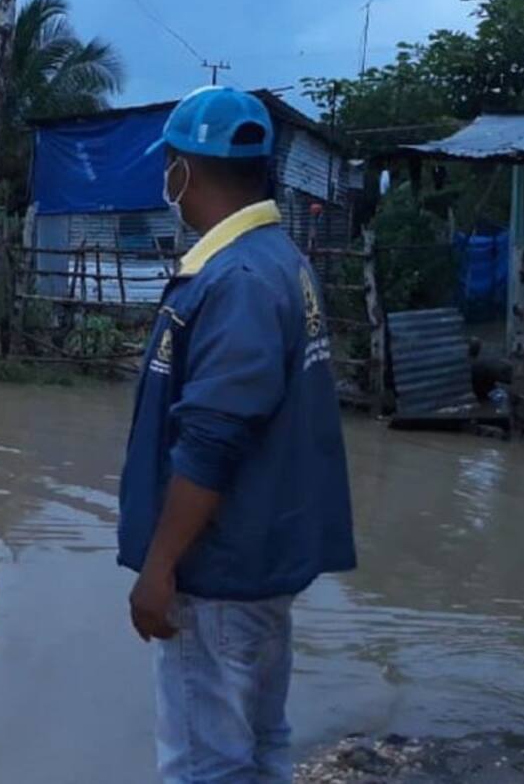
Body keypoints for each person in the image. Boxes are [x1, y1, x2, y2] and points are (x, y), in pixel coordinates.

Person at [117, 86, 356, 783]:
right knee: (259, 742)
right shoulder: (279, 263)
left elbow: (215, 438)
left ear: (183, 169)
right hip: (258, 557)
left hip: (218, 570)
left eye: (170, 164)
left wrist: (160, 567)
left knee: (205, 763)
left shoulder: (241, 279)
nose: (167, 179)